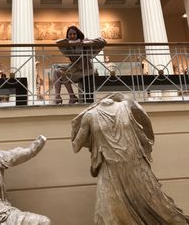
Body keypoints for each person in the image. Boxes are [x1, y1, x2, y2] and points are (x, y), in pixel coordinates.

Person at [71, 93, 189, 225]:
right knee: (105, 213)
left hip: (135, 166)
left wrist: (145, 145)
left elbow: (144, 120)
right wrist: (77, 123)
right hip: (109, 171)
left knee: (154, 204)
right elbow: (76, 146)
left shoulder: (126, 106)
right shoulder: (90, 115)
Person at [53, 26, 106, 104]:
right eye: (70, 34)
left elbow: (103, 41)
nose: (72, 36)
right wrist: (71, 42)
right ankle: (59, 96)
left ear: (77, 34)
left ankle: (71, 97)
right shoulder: (68, 44)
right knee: (56, 72)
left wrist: (84, 42)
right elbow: (58, 42)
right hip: (74, 68)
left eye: (74, 34)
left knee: (61, 73)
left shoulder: (84, 41)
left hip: (86, 69)